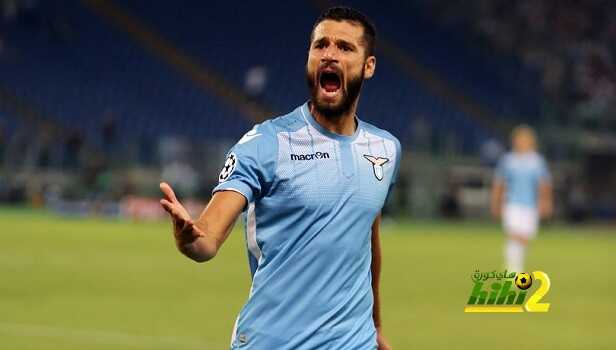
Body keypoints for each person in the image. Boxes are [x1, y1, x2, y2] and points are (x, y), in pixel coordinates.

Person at [160, 7, 399, 349]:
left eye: (345, 48)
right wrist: (189, 238)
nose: (329, 54)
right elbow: (207, 239)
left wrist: (374, 326)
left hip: (353, 342)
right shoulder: (266, 143)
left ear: (369, 66)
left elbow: (367, 235)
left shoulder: (386, 148)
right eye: (321, 45)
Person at [491, 125, 553, 273]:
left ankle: (515, 266)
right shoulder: (508, 160)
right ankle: (513, 271)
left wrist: (546, 202)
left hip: (530, 205)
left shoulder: (537, 161)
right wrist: (496, 203)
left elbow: (544, 185)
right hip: (512, 204)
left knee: (525, 237)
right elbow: (499, 183)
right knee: (513, 235)